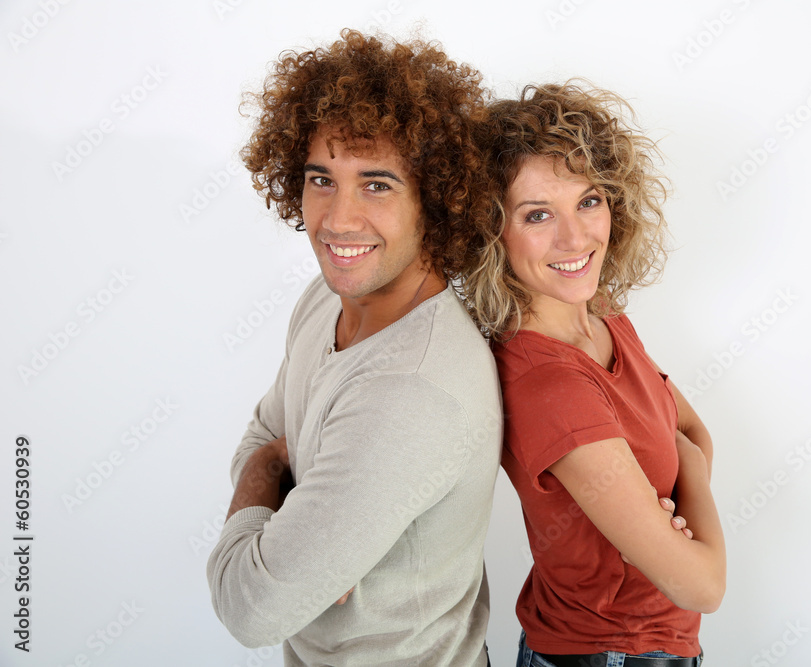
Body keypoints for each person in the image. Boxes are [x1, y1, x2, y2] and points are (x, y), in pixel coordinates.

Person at [206, 30, 502, 667]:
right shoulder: (327, 297)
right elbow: (262, 434)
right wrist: (298, 526)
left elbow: (248, 608)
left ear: (438, 199)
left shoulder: (412, 391)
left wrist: (274, 493)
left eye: (377, 185)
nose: (338, 220)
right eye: (321, 178)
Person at [461, 83, 726, 666]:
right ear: (491, 234)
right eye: (537, 215)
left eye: (588, 201)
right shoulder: (551, 387)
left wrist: (684, 477)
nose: (576, 238)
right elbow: (702, 585)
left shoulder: (605, 319)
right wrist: (693, 481)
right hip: (608, 655)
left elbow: (697, 433)